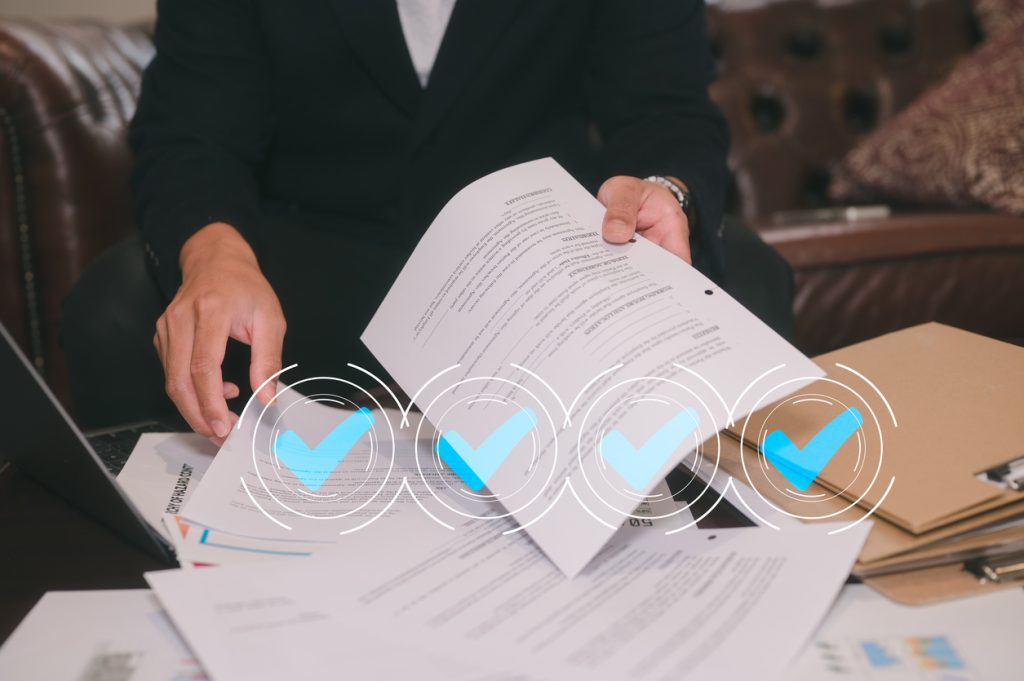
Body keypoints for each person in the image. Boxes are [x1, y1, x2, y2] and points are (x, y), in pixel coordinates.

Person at [64, 0, 789, 442]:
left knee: (747, 282)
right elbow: (193, 129)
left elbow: (666, 108)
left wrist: (665, 190)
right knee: (117, 310)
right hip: (311, 249)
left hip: (528, 261)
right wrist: (213, 250)